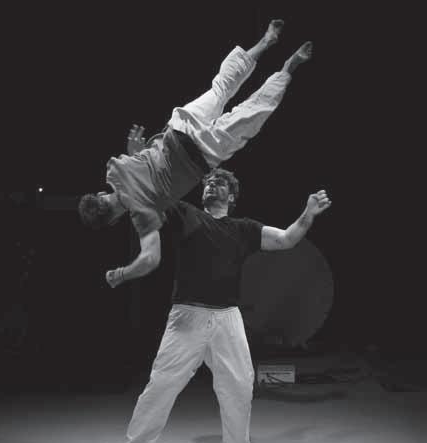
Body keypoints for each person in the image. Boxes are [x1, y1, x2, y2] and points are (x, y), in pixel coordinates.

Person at [106, 166, 331, 443]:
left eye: (221, 182)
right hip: (187, 316)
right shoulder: (186, 214)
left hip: (228, 318)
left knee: (239, 385)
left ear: (232, 195)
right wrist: (137, 165)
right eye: (209, 182)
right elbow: (154, 195)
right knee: (161, 386)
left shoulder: (244, 228)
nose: (212, 184)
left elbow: (285, 239)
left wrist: (308, 213)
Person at [78, 19, 313, 286]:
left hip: (205, 152)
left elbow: (150, 259)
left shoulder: (142, 215)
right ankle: (265, 42)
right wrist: (136, 153)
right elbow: (144, 166)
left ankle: (288, 67)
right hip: (180, 127)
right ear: (100, 194)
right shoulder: (113, 170)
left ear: (112, 221)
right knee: (222, 86)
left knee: (253, 111)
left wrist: (121, 274)